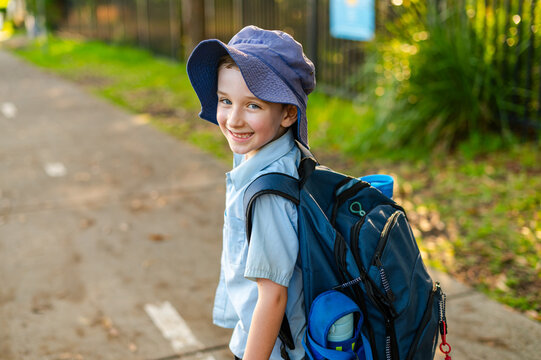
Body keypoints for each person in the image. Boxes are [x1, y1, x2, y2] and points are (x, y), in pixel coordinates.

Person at [186, 25, 316, 360]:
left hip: (271, 350)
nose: (233, 119)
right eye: (225, 101)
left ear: (289, 112)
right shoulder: (268, 154)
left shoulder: (269, 191)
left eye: (253, 106)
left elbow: (272, 297)